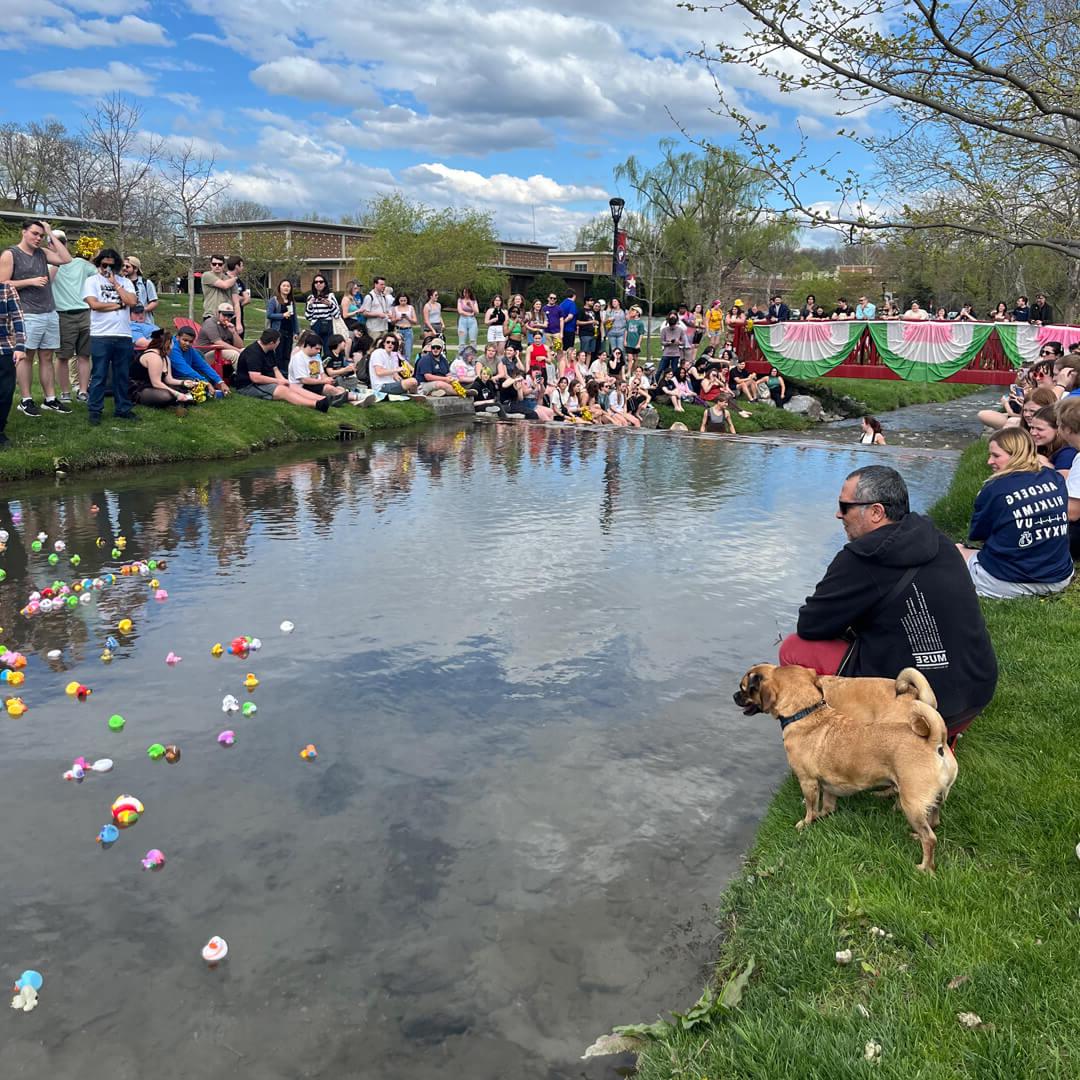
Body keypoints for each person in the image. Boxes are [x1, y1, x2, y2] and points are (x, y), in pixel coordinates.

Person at [779, 464, 998, 739]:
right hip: (973, 698)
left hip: (921, 716)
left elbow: (810, 626)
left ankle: (829, 740)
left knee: (795, 649)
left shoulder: (860, 559)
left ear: (876, 512)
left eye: (844, 506)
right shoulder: (938, 539)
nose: (838, 514)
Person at [955, 428, 1072, 599]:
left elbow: (978, 535)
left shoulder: (994, 489)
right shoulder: (1055, 478)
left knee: (956, 550)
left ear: (1016, 454)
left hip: (1008, 582)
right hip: (1059, 577)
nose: (989, 461)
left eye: (996, 455)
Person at [0, 218, 72, 416]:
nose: (38, 238)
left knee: (47, 356)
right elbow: (3, 284)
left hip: (49, 311)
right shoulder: (10, 254)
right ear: (24, 232)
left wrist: (50, 232)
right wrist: (30, 281)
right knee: (26, 357)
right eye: (35, 233)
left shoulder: (42, 253)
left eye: (41, 235)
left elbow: (66, 259)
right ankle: (26, 399)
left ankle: (50, 399)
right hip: (26, 313)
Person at [83, 247, 138, 425]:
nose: (107, 269)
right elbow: (94, 304)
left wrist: (116, 284)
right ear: (99, 264)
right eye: (104, 265)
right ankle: (95, 410)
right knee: (99, 374)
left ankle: (123, 408)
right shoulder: (92, 281)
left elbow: (132, 302)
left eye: (111, 266)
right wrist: (118, 306)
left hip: (123, 334)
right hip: (101, 334)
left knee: (121, 375)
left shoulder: (125, 282)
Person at [235, 329, 332, 411]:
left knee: (291, 385)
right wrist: (278, 381)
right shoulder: (253, 353)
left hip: (264, 381)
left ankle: (322, 399)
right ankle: (316, 404)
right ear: (272, 343)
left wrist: (283, 381)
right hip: (248, 386)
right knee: (283, 391)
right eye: (278, 341)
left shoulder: (269, 350)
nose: (279, 343)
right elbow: (255, 378)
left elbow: (275, 368)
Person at [49, 229, 94, 403]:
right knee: (62, 356)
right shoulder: (46, 264)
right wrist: (56, 261)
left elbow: (99, 274)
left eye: (61, 241)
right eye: (54, 241)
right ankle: (65, 392)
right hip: (62, 315)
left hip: (84, 313)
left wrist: (94, 255)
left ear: (66, 243)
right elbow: (48, 281)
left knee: (84, 355)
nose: (58, 244)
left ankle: (83, 391)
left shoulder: (81, 263)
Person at [129, 329, 194, 408]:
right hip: (139, 387)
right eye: (171, 343)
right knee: (166, 396)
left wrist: (183, 382)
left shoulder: (165, 357)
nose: (172, 347)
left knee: (185, 390)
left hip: (152, 386)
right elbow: (156, 383)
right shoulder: (153, 356)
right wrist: (176, 393)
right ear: (167, 344)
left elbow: (169, 379)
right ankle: (175, 401)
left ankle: (176, 401)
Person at [288, 332, 348, 403]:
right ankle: (353, 398)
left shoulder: (316, 356)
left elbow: (322, 373)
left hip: (316, 383)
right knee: (330, 389)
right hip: (302, 386)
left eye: (319, 349)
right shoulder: (298, 357)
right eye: (316, 348)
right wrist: (323, 381)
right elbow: (303, 380)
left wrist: (327, 380)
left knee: (340, 389)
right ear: (308, 346)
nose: (318, 351)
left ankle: (341, 398)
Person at [0, 280, 26, 445]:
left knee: (5, 392)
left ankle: (0, 429)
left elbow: (18, 317)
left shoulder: (6, 288)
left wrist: (20, 346)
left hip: (5, 347)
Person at [169, 325, 229, 395]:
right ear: (177, 337)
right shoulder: (173, 348)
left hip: (187, 375)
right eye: (185, 340)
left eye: (190, 341)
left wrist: (220, 382)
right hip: (175, 379)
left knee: (209, 378)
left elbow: (203, 365)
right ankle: (206, 392)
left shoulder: (190, 349)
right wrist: (205, 382)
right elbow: (185, 370)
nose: (187, 343)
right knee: (194, 382)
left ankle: (212, 390)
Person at [195, 303, 244, 377]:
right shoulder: (210, 323)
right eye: (224, 315)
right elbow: (218, 343)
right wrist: (238, 350)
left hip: (219, 351)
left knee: (246, 350)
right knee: (235, 354)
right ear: (218, 313)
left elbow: (240, 346)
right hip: (205, 354)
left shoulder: (228, 326)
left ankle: (247, 375)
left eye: (230, 316)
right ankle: (242, 379)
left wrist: (234, 333)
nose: (227, 318)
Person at [1028, 405, 1075, 478]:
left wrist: (1045, 463)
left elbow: (1063, 481)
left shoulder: (1067, 453)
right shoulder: (1041, 447)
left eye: (1040, 429)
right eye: (1032, 427)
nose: (1033, 433)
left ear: (1058, 429)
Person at [266, 279, 299, 370]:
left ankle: (286, 373)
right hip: (278, 331)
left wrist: (296, 332)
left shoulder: (291, 301)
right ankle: (278, 373)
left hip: (289, 331)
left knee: (287, 353)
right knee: (278, 353)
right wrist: (282, 315)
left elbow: (294, 317)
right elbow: (269, 315)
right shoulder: (274, 300)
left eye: (288, 286)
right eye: (284, 286)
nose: (286, 288)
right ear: (279, 288)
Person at [304, 274, 340, 356]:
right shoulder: (310, 297)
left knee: (328, 350)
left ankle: (327, 368)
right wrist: (310, 305)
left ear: (325, 284)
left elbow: (337, 314)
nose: (318, 284)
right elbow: (308, 316)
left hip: (328, 325)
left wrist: (329, 304)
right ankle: (316, 368)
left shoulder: (330, 296)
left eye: (321, 282)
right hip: (315, 326)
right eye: (316, 282)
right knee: (315, 351)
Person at [122, 255, 158, 327]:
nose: (124, 268)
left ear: (135, 269)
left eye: (127, 266)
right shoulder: (120, 282)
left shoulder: (146, 283)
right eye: (123, 266)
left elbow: (154, 302)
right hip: (126, 323)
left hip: (145, 323)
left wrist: (142, 310)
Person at [200, 254, 238, 319]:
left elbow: (236, 302)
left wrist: (238, 321)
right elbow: (224, 285)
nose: (217, 266)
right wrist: (235, 278)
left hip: (228, 316)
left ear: (223, 265)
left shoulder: (230, 280)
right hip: (211, 316)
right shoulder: (206, 275)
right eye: (214, 264)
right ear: (210, 265)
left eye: (220, 264)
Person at [558, 289, 578, 355]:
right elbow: (570, 316)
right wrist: (563, 322)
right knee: (569, 348)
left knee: (563, 347)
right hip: (569, 329)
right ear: (574, 295)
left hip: (562, 329)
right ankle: (566, 363)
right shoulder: (572, 303)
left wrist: (561, 324)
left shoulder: (561, 304)